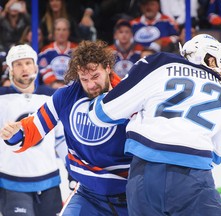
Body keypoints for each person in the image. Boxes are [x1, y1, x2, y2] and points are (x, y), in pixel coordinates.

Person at [88, 34, 221, 215]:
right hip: (194, 177)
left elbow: (102, 113)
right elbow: (218, 154)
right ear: (212, 58)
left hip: (145, 174)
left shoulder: (161, 63)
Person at [0, 40, 132, 216]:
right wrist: (15, 135)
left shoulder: (129, 94)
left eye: (95, 77)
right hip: (88, 193)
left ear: (108, 68)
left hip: (127, 192)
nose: (91, 85)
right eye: (84, 79)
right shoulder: (66, 96)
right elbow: (33, 127)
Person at [0, 44, 66, 216]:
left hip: (49, 183)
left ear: (36, 66)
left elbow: (61, 139)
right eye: (19, 64)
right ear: (11, 70)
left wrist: (73, 170)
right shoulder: (1, 98)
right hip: (12, 183)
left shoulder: (52, 97)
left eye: (28, 63)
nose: (25, 68)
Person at [38, 18, 78, 89]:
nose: (61, 33)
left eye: (64, 29)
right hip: (52, 88)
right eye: (58, 29)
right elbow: (43, 69)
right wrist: (53, 83)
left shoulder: (77, 50)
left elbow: (80, 69)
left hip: (72, 87)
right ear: (54, 32)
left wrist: (70, 83)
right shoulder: (46, 51)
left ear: (69, 32)